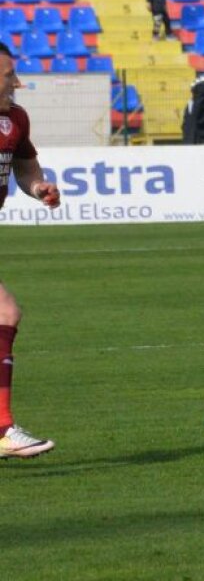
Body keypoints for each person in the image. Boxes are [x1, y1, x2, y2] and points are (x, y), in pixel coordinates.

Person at [0, 43, 60, 458]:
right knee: (5, 313)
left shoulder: (16, 118)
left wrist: (38, 187)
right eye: (8, 76)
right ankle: (3, 428)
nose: (16, 82)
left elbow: (25, 167)